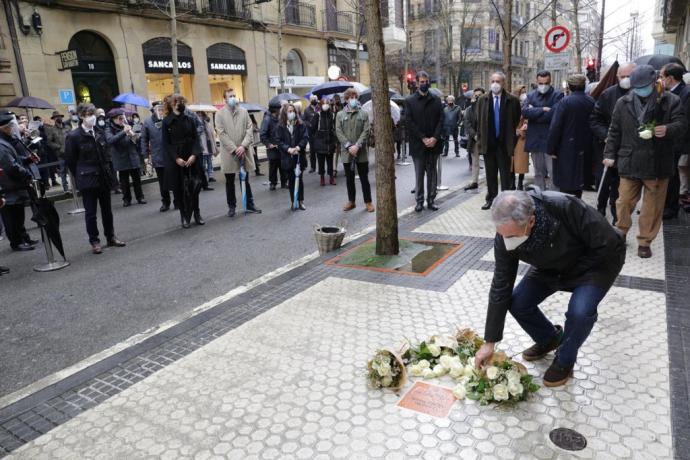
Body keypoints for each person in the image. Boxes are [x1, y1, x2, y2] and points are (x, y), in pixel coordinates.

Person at [474, 189, 626, 387]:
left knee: (580, 312)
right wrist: (490, 342)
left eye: (511, 235)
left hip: (596, 262)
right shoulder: (505, 236)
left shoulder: (564, 206)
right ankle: (549, 338)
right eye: (502, 234)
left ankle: (565, 360)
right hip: (551, 265)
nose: (506, 241)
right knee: (519, 302)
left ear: (531, 221)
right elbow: (501, 283)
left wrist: (570, 274)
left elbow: (607, 243)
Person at [603, 64, 685, 258]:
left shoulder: (671, 101)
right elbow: (614, 130)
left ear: (655, 81)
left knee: (652, 206)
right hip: (629, 159)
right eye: (636, 87)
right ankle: (620, 232)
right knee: (623, 202)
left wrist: (667, 129)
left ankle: (645, 241)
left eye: (644, 86)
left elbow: (682, 125)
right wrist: (609, 154)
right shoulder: (624, 102)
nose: (640, 90)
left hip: (658, 162)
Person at [64, 103, 126, 254]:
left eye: (92, 114)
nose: (91, 118)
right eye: (87, 115)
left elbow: (105, 153)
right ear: (81, 117)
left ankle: (111, 237)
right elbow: (71, 161)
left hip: (103, 177)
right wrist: (80, 175)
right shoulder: (74, 136)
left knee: (107, 210)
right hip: (87, 179)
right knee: (90, 213)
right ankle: (95, 241)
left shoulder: (99, 131)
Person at [589, 62, 636, 225]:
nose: (625, 79)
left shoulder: (640, 94)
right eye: (622, 76)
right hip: (606, 147)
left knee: (621, 183)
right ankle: (600, 209)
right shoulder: (607, 95)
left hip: (629, 149)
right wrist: (605, 135)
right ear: (617, 77)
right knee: (603, 179)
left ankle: (617, 213)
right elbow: (595, 120)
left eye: (629, 76)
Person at [476, 72, 522, 210]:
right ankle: (491, 199)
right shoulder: (482, 99)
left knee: (505, 176)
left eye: (498, 81)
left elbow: (516, 119)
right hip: (488, 144)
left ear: (504, 83)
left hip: (504, 144)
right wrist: (480, 141)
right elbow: (479, 121)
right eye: (493, 81)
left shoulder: (512, 100)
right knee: (490, 175)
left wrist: (511, 140)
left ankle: (506, 202)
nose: (495, 84)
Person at [547, 75, 595, 198]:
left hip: (566, 148)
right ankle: (577, 208)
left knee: (566, 184)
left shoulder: (565, 102)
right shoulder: (591, 101)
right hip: (586, 147)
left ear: (569, 86)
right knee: (579, 183)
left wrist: (551, 148)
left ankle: (567, 212)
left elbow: (555, 126)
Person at [216, 88, 262, 217]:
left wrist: (243, 146)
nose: (233, 98)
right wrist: (234, 148)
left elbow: (249, 129)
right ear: (224, 98)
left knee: (245, 179)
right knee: (229, 181)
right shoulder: (220, 114)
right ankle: (232, 206)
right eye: (230, 96)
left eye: (234, 95)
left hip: (244, 151)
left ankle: (249, 204)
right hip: (230, 153)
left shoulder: (244, 112)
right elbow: (221, 133)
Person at [161, 94, 205, 228]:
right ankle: (184, 215)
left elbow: (196, 139)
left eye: (182, 101)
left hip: (191, 157)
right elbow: (166, 144)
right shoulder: (166, 122)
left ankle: (196, 213)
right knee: (179, 189)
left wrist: (194, 155)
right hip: (177, 160)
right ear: (171, 104)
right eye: (177, 101)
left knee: (194, 187)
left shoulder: (189, 119)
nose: (180, 103)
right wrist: (176, 158)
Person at [405, 71, 444, 212]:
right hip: (418, 145)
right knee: (419, 174)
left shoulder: (436, 100)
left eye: (426, 81)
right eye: (421, 82)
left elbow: (441, 120)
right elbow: (409, 122)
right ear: (416, 83)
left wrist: (434, 138)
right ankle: (419, 201)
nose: (424, 84)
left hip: (434, 144)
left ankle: (431, 200)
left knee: (432, 174)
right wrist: (423, 138)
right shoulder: (410, 101)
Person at [522, 70, 564, 191]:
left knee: (553, 173)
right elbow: (525, 112)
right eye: (541, 83)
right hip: (535, 140)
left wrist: (534, 112)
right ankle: (539, 197)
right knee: (538, 173)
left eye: (546, 82)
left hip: (551, 140)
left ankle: (554, 200)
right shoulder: (530, 95)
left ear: (550, 81)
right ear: (537, 81)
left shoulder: (557, 95)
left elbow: (553, 114)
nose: (543, 85)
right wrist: (542, 109)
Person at [0, 113, 36, 252]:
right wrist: (26, 173)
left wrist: (27, 160)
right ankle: (16, 242)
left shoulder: (7, 140)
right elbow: (10, 165)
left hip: (15, 185)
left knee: (18, 214)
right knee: (12, 216)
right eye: (12, 125)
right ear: (5, 128)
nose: (15, 127)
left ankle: (24, 237)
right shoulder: (1, 144)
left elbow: (15, 158)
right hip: (9, 186)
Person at [335, 88, 373, 212]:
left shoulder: (363, 113)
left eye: (355, 97)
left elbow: (366, 130)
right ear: (346, 99)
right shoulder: (340, 115)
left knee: (364, 178)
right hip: (347, 153)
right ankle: (351, 201)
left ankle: (368, 202)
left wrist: (357, 145)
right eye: (351, 98)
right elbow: (338, 131)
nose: (353, 100)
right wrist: (348, 146)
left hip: (360, 152)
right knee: (349, 179)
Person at [660, 63, 690, 219]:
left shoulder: (685, 94)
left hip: (677, 143)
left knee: (673, 177)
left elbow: (683, 122)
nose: (660, 80)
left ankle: (671, 208)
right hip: (668, 141)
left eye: (661, 76)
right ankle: (663, 205)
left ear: (670, 78)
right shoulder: (668, 93)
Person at [106, 109, 146, 207]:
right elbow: (110, 140)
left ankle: (140, 197)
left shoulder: (127, 125)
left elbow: (136, 141)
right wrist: (124, 132)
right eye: (119, 119)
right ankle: (126, 199)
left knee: (137, 179)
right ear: (113, 119)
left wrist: (135, 136)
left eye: (122, 118)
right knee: (124, 182)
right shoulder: (109, 129)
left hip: (132, 156)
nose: (121, 121)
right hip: (121, 158)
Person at [277, 103, 309, 210]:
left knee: (299, 179)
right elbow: (279, 141)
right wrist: (288, 149)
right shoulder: (280, 126)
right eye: (289, 111)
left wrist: (298, 147)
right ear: (285, 113)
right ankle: (293, 201)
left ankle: (300, 201)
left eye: (293, 111)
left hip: (299, 156)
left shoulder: (301, 124)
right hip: (287, 157)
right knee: (291, 180)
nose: (292, 113)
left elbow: (305, 138)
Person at [141, 101, 171, 212]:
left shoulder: (167, 118)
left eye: (161, 108)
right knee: (163, 182)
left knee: (175, 179)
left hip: (171, 156)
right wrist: (145, 155)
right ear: (153, 110)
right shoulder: (148, 122)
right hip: (158, 156)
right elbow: (144, 139)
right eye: (157, 108)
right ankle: (165, 202)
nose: (159, 110)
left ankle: (178, 201)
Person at [260, 101, 287, 191]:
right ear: (275, 110)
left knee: (282, 165)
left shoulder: (279, 118)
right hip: (272, 147)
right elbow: (263, 134)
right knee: (273, 166)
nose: (280, 110)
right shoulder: (267, 119)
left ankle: (284, 182)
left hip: (280, 146)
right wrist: (268, 144)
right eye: (279, 108)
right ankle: (273, 183)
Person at [463, 87, 486, 191]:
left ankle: (490, 181)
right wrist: (475, 135)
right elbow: (467, 124)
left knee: (490, 161)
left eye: (480, 95)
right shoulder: (469, 109)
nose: (477, 98)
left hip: (486, 138)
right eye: (476, 96)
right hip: (475, 139)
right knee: (475, 162)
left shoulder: (488, 107)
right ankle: (474, 182)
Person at [311, 97, 337, 186]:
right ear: (321, 105)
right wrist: (316, 139)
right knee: (321, 162)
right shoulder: (317, 115)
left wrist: (334, 141)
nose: (325, 105)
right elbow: (313, 129)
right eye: (324, 103)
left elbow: (334, 128)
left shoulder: (332, 115)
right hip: (320, 142)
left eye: (327, 103)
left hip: (330, 141)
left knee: (330, 161)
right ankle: (322, 177)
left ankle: (331, 177)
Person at [44, 111, 72, 192]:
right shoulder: (52, 130)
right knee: (63, 171)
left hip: (70, 152)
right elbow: (49, 142)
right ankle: (65, 189)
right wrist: (59, 147)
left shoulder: (67, 127)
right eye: (56, 117)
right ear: (54, 119)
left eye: (59, 116)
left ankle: (75, 186)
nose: (58, 118)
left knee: (73, 170)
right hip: (61, 154)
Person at [511, 86, 529, 191]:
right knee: (511, 163)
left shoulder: (527, 106)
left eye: (525, 92)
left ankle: (520, 183)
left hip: (522, 138)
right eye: (522, 92)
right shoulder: (511, 105)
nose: (524, 94)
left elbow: (527, 120)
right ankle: (512, 183)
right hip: (511, 137)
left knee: (521, 162)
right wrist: (515, 131)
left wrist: (523, 129)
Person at [197, 110, 219, 186]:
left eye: (201, 114)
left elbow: (212, 135)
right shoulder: (196, 125)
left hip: (209, 144)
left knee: (209, 161)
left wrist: (215, 146)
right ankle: (203, 177)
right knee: (203, 163)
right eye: (198, 115)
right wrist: (200, 129)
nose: (200, 116)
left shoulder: (207, 124)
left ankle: (210, 176)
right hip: (202, 146)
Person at [303, 94, 319, 173]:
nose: (314, 100)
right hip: (311, 133)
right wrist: (308, 124)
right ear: (310, 101)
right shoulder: (306, 110)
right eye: (312, 99)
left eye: (315, 99)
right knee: (312, 151)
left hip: (319, 133)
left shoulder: (319, 109)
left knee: (319, 151)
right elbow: (304, 120)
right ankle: (313, 167)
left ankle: (321, 166)